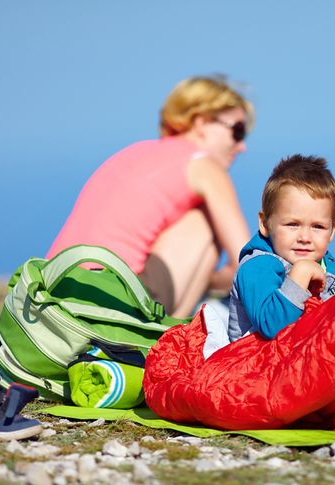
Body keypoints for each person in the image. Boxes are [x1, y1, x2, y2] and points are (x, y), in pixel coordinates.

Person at [47, 76, 252, 318]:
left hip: (53, 291)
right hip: (110, 302)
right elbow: (246, 262)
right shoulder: (204, 166)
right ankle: (161, 341)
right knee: (205, 220)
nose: (242, 146)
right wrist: (210, 280)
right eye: (237, 131)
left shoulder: (136, 151)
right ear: (201, 122)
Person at [227, 154, 335, 342]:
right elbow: (271, 327)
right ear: (265, 224)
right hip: (254, 365)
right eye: (292, 224)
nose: (305, 237)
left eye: (318, 227)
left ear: (332, 230)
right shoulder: (257, 266)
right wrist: (300, 275)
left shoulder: (333, 271)